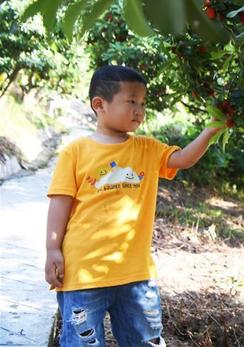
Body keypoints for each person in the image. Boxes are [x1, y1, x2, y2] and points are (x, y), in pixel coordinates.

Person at [44, 65, 224, 346]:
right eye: (131, 101)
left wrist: (210, 131)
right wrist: (52, 249)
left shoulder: (147, 148)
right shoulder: (76, 152)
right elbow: (59, 203)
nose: (139, 110)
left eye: (143, 103)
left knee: (145, 341)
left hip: (136, 276)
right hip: (83, 273)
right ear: (99, 105)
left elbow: (183, 159)